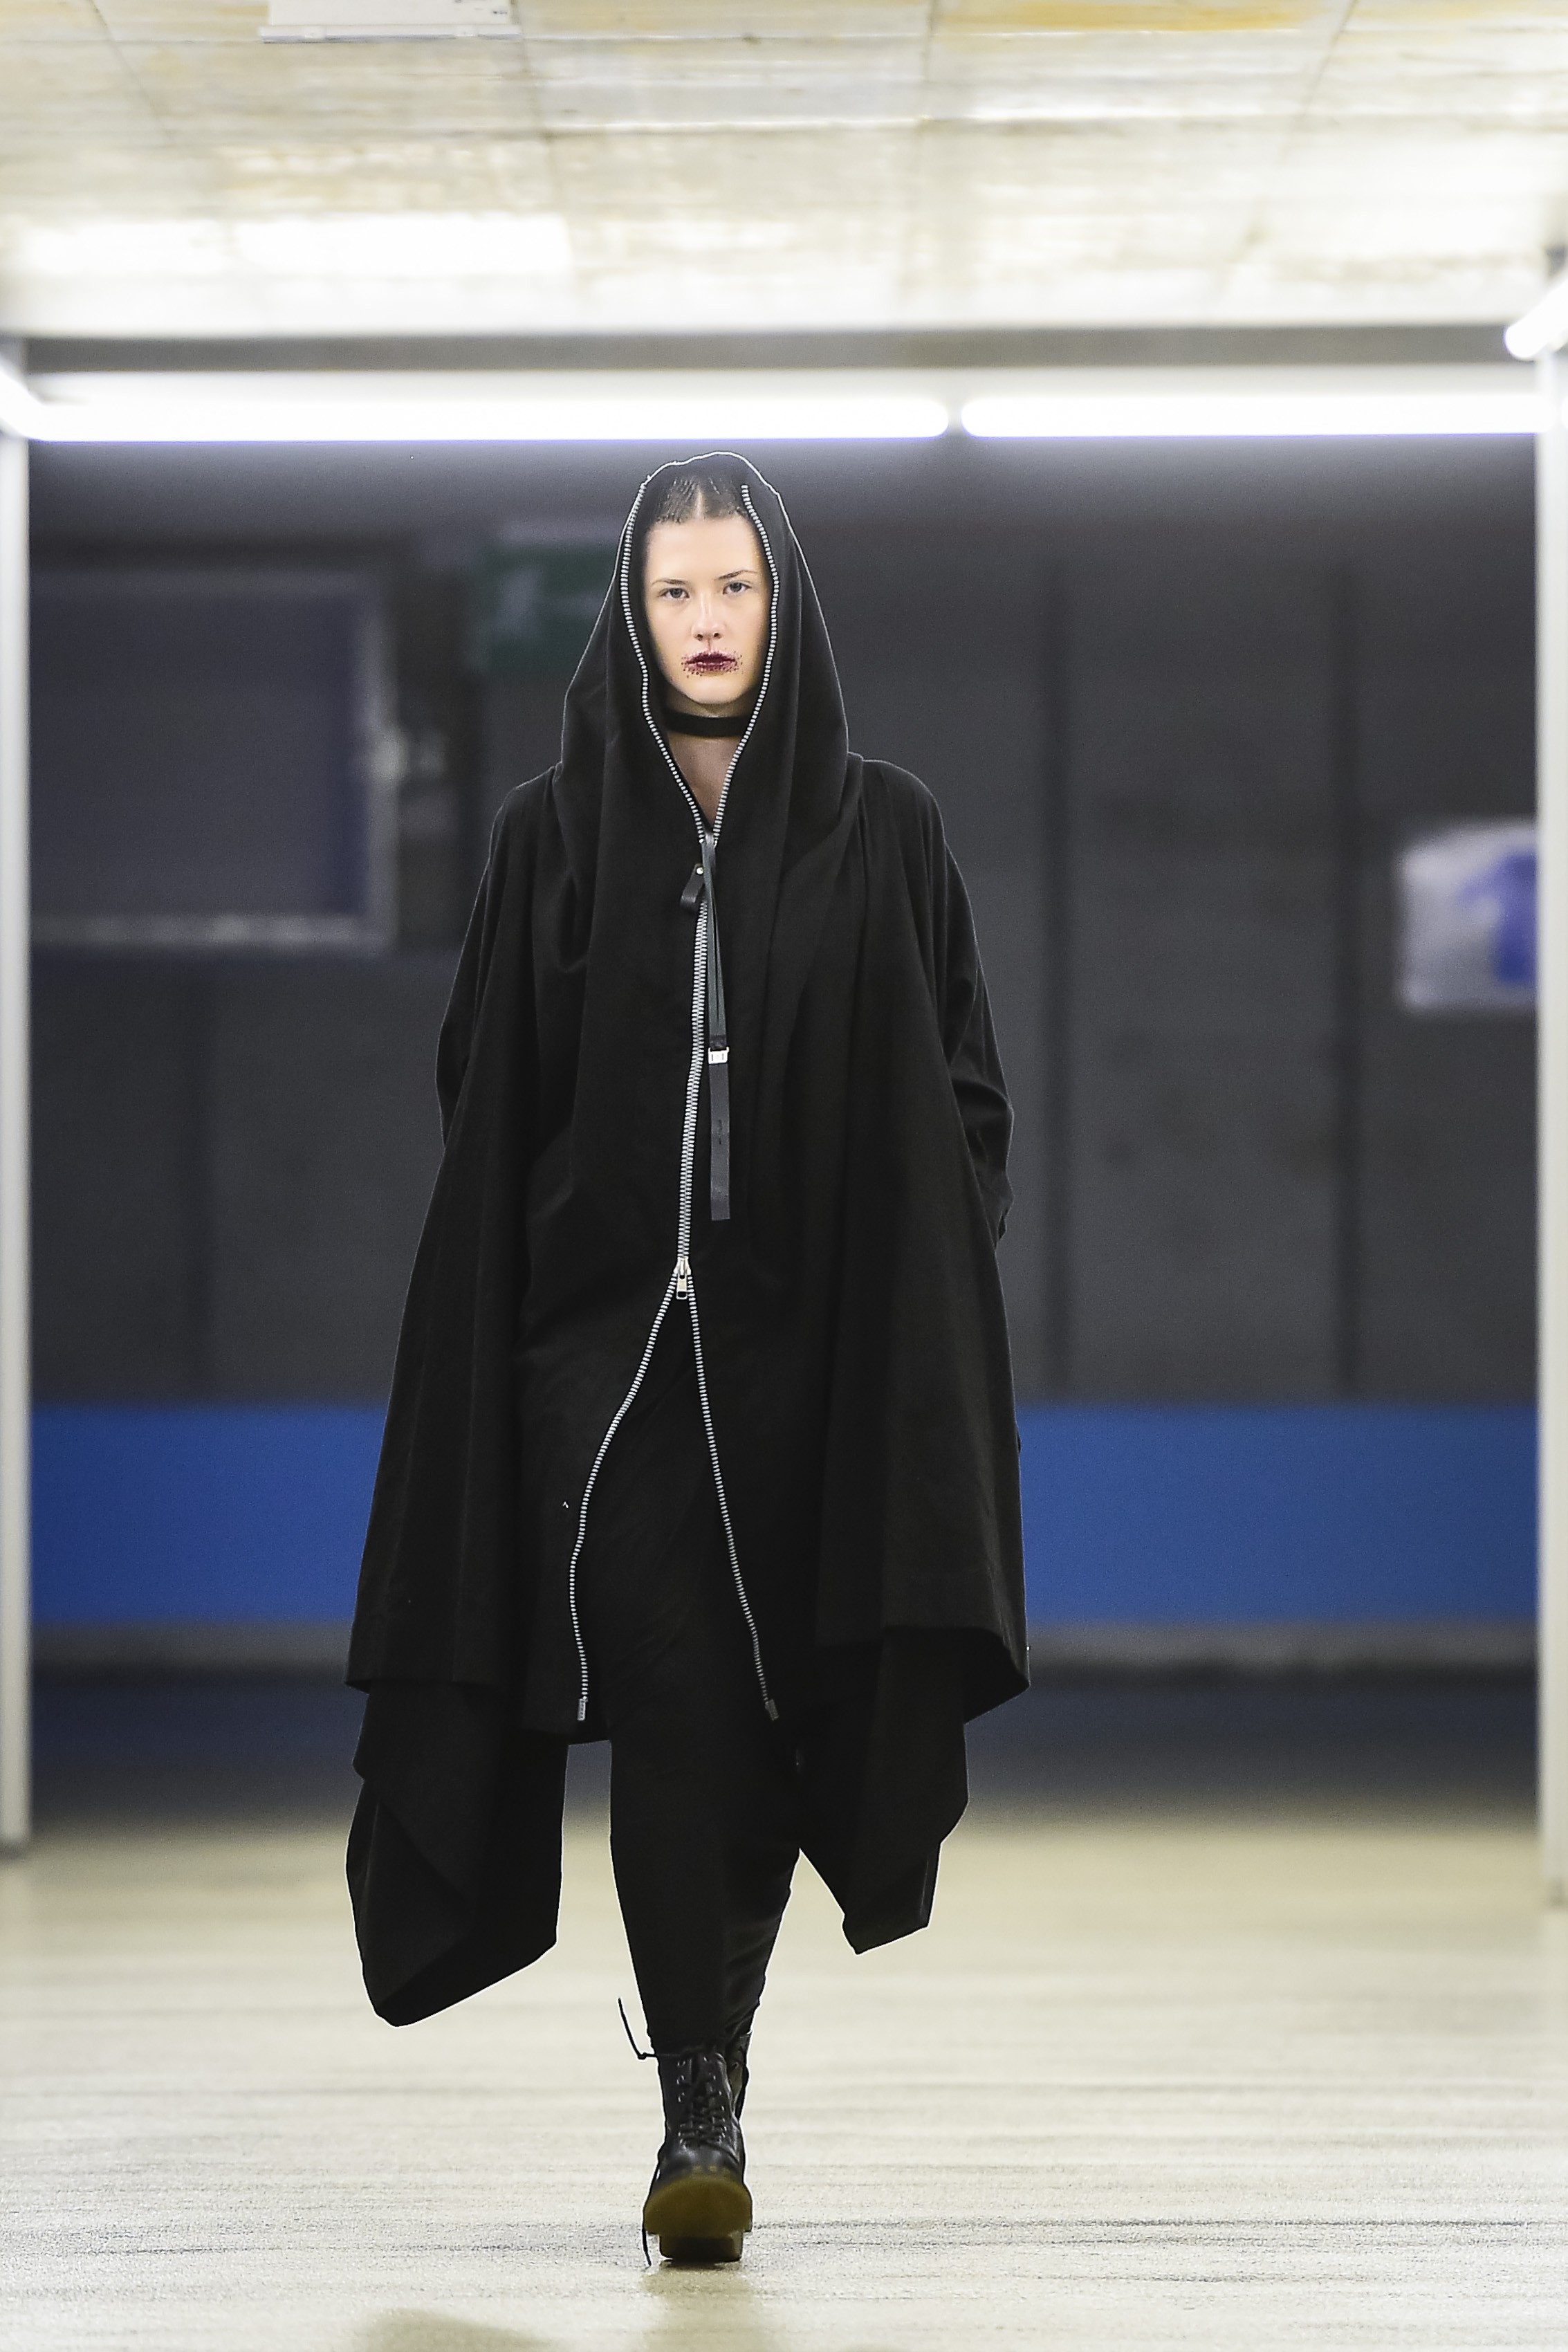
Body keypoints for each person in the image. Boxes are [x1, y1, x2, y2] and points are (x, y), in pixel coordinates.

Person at [345, 452, 1028, 2264]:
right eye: (674, 592)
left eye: (734, 587)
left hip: (821, 1369)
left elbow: (964, 1093)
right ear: (630, 614)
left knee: (780, 1714)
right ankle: (697, 2108)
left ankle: (716, 2066)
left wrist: (919, 1289)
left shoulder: (885, 829)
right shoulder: (550, 834)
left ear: (780, 603)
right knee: (674, 1712)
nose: (707, 621)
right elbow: (486, 1089)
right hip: (610, 1370)